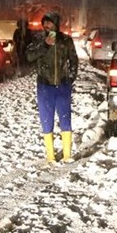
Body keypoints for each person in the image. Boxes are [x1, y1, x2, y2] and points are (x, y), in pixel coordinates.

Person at [24, 10, 79, 162]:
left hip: (62, 86)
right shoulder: (38, 39)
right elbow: (29, 56)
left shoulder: (66, 40)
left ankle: (67, 154)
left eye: (50, 22)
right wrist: (45, 46)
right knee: (46, 119)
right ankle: (50, 155)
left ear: (56, 24)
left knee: (65, 118)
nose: (47, 25)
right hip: (45, 86)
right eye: (45, 22)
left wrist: (70, 78)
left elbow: (73, 60)